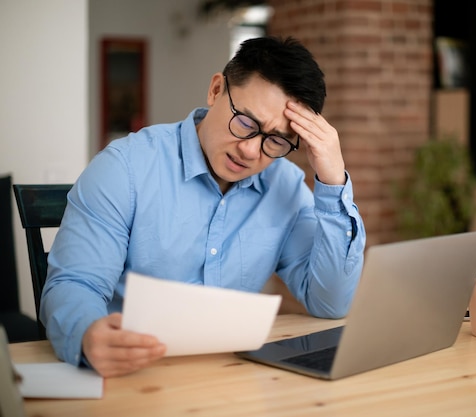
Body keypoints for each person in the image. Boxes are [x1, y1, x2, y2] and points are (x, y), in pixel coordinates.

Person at [41, 36, 366, 378]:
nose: (252, 152)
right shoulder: (125, 168)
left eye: (276, 140)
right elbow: (76, 284)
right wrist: (87, 336)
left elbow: (331, 302)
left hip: (230, 377)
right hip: (134, 374)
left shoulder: (284, 185)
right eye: (245, 124)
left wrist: (332, 180)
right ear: (215, 91)